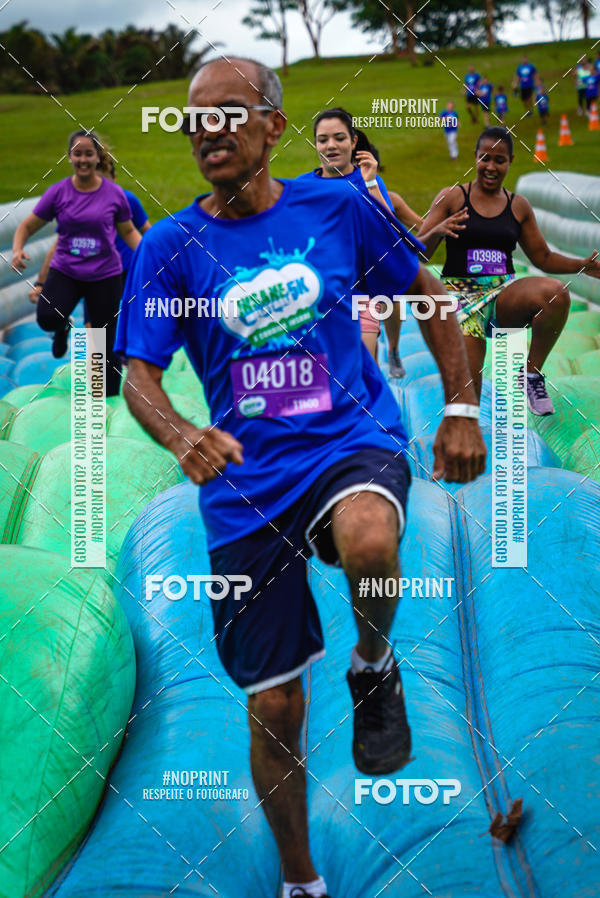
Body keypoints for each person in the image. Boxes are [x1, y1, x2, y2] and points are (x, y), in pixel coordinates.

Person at [115, 57, 486, 898]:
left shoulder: (339, 206)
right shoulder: (174, 247)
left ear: (272, 128)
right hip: (247, 486)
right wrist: (179, 433)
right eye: (192, 119)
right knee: (275, 707)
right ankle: (301, 880)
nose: (207, 132)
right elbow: (136, 369)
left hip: (348, 439)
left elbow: (428, 293)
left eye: (228, 113)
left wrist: (461, 409)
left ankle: (373, 661)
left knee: (367, 538)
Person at [417, 126, 600, 415]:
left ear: (510, 161)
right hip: (461, 302)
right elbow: (419, 253)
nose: (491, 166)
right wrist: (437, 231)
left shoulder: (518, 206)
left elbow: (543, 257)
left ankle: (531, 375)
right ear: (475, 158)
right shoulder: (452, 197)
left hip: (503, 296)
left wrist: (581, 266)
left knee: (555, 294)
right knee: (467, 399)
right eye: (485, 158)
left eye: (499, 160)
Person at [12, 130, 141, 395]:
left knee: (103, 340)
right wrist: (17, 251)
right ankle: (62, 328)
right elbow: (31, 227)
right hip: (68, 271)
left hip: (106, 274)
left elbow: (130, 231)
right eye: (77, 153)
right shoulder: (59, 192)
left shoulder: (116, 195)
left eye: (89, 153)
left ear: (97, 157)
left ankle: (106, 398)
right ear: (70, 157)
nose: (83, 159)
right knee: (47, 317)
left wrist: (150, 257)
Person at [297, 107, 407, 372]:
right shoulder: (302, 186)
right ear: (315, 144)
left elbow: (391, 232)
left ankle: (392, 349)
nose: (331, 145)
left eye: (339, 138)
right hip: (319, 294)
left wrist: (369, 184)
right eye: (323, 140)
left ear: (353, 141)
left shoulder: (370, 182)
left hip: (362, 290)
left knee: (363, 369)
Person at [29, 157, 151, 315]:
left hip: (126, 271)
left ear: (114, 178)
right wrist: (41, 283)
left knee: (126, 317)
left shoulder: (127, 200)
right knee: (92, 328)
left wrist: (160, 257)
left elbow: (146, 231)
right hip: (95, 273)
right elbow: (59, 246)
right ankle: (68, 332)